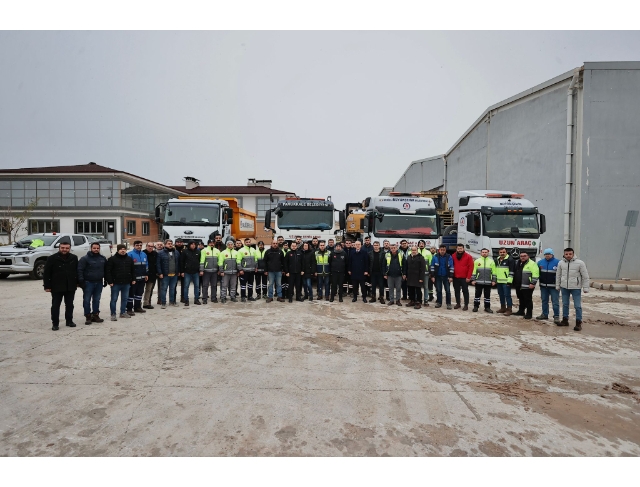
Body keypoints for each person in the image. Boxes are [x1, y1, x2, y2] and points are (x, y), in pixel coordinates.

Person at [43, 239, 78, 330]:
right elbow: (46, 273)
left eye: (67, 248)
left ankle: (69, 321)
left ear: (70, 249)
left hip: (70, 286)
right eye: (62, 248)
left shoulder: (74, 258)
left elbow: (76, 271)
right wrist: (47, 286)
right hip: (56, 286)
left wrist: (78, 282)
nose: (64, 249)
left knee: (70, 305)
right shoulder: (52, 258)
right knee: (55, 305)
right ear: (59, 248)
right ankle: (55, 323)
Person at [556, 248, 590, 331]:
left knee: (577, 306)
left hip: (576, 288)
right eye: (566, 254)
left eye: (570, 254)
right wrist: (557, 285)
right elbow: (558, 275)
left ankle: (578, 323)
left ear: (573, 254)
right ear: (564, 254)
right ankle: (565, 320)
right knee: (565, 304)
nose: (568, 255)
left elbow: (585, 276)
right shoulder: (561, 263)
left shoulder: (580, 263)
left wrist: (586, 287)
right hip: (564, 287)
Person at [77, 242, 107, 325]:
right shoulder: (85, 259)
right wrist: (81, 281)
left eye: (97, 248)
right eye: (94, 248)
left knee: (96, 300)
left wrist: (106, 280)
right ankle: (88, 316)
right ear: (91, 248)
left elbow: (106, 270)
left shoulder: (103, 258)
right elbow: (80, 270)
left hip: (99, 282)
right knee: (87, 300)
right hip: (88, 282)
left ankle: (95, 315)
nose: (96, 250)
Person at [105, 244, 136, 320]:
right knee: (114, 299)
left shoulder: (129, 259)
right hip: (115, 283)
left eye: (124, 249)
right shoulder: (112, 259)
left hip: (126, 283)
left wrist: (133, 279)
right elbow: (107, 271)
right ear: (118, 250)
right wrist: (110, 281)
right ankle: (113, 314)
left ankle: (123, 312)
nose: (123, 250)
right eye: (121, 249)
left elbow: (133, 270)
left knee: (125, 298)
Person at [537, 248, 561, 324]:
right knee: (544, 301)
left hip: (554, 287)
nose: (547, 256)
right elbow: (537, 273)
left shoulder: (558, 262)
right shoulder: (540, 262)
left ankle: (556, 316)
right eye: (546, 254)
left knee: (555, 302)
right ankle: (544, 314)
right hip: (543, 286)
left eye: (549, 254)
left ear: (552, 254)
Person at [512, 251, 539, 319]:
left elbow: (536, 274)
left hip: (528, 285)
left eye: (524, 256)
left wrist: (533, 283)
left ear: (528, 256)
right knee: (521, 299)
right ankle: (521, 311)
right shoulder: (518, 263)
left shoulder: (532, 264)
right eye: (521, 256)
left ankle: (529, 314)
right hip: (519, 285)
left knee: (528, 300)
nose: (523, 257)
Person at [471, 248, 497, 313]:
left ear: (488, 253)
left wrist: (494, 280)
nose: (484, 253)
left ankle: (487, 307)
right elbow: (474, 271)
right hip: (478, 281)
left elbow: (494, 272)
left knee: (487, 296)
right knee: (477, 295)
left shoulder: (491, 261)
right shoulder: (477, 261)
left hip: (488, 282)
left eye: (486, 252)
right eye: (483, 252)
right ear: (481, 253)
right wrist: (473, 279)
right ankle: (476, 307)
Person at [127, 241, 148, 316]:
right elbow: (128, 267)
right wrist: (132, 278)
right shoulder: (130, 254)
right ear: (134, 245)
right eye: (137, 245)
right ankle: (129, 309)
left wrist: (146, 274)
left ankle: (137, 307)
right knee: (131, 294)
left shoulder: (144, 254)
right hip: (134, 279)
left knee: (139, 293)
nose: (139, 246)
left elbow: (146, 265)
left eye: (140, 245)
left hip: (142, 278)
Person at [157, 239, 180, 308]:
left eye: (171, 243)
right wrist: (160, 273)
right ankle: (163, 303)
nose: (170, 245)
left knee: (172, 289)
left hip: (174, 274)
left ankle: (172, 302)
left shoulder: (176, 252)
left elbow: (178, 263)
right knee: (164, 289)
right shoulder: (160, 253)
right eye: (168, 243)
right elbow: (158, 264)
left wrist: (178, 271)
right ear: (165, 245)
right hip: (165, 274)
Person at [430, 245, 454, 309]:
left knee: (448, 291)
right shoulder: (435, 257)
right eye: (441, 250)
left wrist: (451, 276)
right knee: (439, 290)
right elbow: (432, 267)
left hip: (446, 277)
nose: (442, 251)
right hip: (438, 276)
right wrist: (432, 276)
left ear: (445, 250)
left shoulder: (449, 257)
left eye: (444, 250)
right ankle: (439, 303)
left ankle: (448, 304)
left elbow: (451, 267)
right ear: (439, 250)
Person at [452, 244, 474, 311]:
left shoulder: (468, 257)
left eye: (461, 248)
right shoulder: (453, 256)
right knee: (457, 291)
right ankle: (458, 303)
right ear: (456, 249)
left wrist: (468, 277)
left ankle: (466, 305)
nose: (460, 250)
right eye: (458, 248)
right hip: (455, 277)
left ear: (463, 249)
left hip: (465, 278)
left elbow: (471, 267)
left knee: (465, 291)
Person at [494, 247, 515, 315]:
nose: (502, 253)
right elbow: (496, 270)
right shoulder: (497, 259)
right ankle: (503, 308)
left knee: (507, 295)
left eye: (503, 252)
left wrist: (509, 281)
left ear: (506, 252)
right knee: (501, 295)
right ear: (499, 253)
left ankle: (509, 309)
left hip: (506, 282)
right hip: (499, 281)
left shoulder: (510, 259)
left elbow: (512, 271)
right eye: (501, 252)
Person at [181, 240, 202, 306]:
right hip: (187, 272)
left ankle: (196, 299)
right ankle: (186, 300)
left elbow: (200, 261)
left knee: (197, 286)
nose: (193, 245)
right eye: (192, 244)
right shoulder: (185, 252)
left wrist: (200, 270)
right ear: (189, 245)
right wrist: (182, 271)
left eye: (194, 244)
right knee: (186, 286)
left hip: (196, 272)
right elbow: (182, 262)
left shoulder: (198, 252)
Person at [200, 238, 220, 304]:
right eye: (210, 243)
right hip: (206, 271)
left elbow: (219, 261)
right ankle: (204, 298)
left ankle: (213, 298)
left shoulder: (217, 251)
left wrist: (219, 269)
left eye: (213, 243)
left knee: (214, 285)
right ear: (208, 244)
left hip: (214, 271)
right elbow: (202, 261)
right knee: (205, 285)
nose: (212, 244)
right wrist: (202, 270)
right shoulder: (204, 250)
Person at [218, 239, 239, 303]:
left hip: (234, 272)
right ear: (227, 245)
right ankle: (223, 297)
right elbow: (220, 262)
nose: (230, 246)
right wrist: (221, 271)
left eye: (231, 244)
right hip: (226, 272)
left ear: (233, 245)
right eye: (229, 244)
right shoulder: (223, 253)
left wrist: (238, 271)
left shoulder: (236, 252)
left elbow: (238, 262)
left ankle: (233, 296)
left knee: (233, 285)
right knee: (224, 285)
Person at [238, 238, 257, 302]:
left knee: (250, 284)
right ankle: (243, 297)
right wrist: (240, 269)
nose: (248, 243)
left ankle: (250, 296)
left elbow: (256, 259)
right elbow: (238, 261)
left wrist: (256, 267)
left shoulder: (253, 250)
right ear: (244, 243)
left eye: (249, 242)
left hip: (252, 271)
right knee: (243, 285)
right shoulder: (241, 250)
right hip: (244, 271)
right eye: (247, 242)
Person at [142, 242, 158, 310]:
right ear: (146, 246)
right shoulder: (142, 253)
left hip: (152, 275)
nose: (150, 247)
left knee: (149, 290)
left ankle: (146, 303)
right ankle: (137, 303)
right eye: (149, 246)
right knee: (140, 290)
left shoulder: (155, 254)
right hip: (143, 274)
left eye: (152, 246)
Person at [418, 240, 433, 306]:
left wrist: (430, 273)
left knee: (426, 287)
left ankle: (426, 300)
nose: (421, 244)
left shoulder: (428, 252)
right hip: (417, 273)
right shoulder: (415, 251)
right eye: (420, 243)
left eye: (422, 243)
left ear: (424, 245)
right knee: (417, 287)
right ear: (418, 245)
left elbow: (430, 263)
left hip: (425, 273)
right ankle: (418, 300)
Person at [174, 238, 185, 303]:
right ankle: (173, 298)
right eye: (178, 242)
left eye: (180, 242)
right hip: (175, 270)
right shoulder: (173, 250)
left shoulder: (185, 249)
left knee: (184, 285)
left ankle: (183, 297)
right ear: (175, 243)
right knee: (174, 285)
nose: (179, 243)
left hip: (183, 269)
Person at [154, 241, 164, 305]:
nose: (159, 246)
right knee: (149, 288)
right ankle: (147, 301)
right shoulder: (153, 252)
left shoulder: (164, 252)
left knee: (161, 287)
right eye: (158, 244)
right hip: (153, 272)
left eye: (161, 245)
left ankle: (160, 299)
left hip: (161, 272)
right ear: (155, 246)